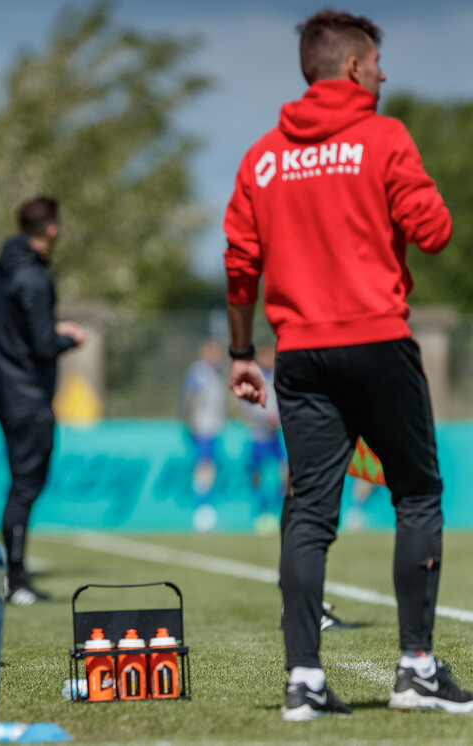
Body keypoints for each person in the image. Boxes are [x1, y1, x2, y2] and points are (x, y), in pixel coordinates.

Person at [223, 10, 473, 720]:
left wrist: (243, 353)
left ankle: (302, 680)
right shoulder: (384, 137)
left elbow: (240, 265)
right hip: (378, 339)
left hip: (298, 353)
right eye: (377, 63)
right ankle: (416, 670)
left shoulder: (262, 157)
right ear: (356, 67)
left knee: (307, 513)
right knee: (418, 495)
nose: (384, 74)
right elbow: (436, 230)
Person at [0, 196, 84, 605]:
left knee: (18, 486)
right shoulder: (35, 279)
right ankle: (18, 580)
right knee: (26, 488)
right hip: (31, 397)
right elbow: (43, 343)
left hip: (6, 392)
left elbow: (22, 330)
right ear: (51, 229)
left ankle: (14, 575)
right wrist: (70, 337)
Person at [179, 339, 227, 533]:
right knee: (203, 466)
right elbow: (190, 399)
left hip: (214, 428)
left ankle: (205, 505)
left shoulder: (217, 373)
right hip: (202, 428)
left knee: (209, 467)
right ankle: (202, 508)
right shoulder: (198, 372)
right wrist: (191, 424)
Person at [241, 347, 287, 535]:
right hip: (259, 435)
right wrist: (265, 418)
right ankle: (260, 511)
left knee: (285, 472)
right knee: (258, 475)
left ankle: (277, 510)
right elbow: (246, 406)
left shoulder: (279, 375)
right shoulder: (253, 378)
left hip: (276, 436)